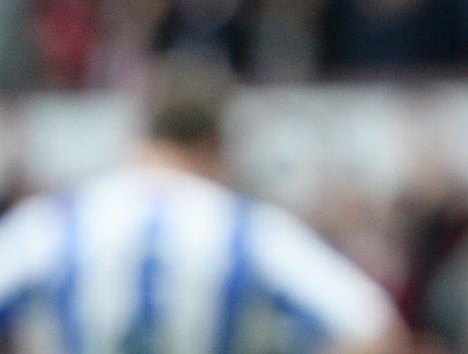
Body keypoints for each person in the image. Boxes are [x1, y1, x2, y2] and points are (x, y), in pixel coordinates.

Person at [0, 59, 403, 354]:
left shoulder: (59, 219)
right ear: (215, 148)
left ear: (139, 138)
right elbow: (375, 327)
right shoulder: (245, 225)